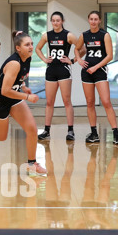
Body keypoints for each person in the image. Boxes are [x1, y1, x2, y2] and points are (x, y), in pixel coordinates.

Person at [0, 31, 47, 176]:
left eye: (31, 44)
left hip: (14, 98)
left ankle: (31, 163)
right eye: (27, 44)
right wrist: (27, 97)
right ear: (18, 48)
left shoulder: (27, 59)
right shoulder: (14, 63)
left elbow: (20, 78)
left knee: (32, 129)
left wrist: (23, 87)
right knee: (1, 136)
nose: (31, 47)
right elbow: (5, 90)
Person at [75, 11, 118, 145]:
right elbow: (77, 48)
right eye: (91, 19)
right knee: (90, 102)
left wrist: (95, 67)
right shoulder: (84, 35)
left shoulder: (105, 35)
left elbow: (109, 56)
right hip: (86, 72)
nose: (93, 21)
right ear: (88, 20)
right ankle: (94, 133)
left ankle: (116, 134)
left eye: (96, 19)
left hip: (99, 71)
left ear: (100, 21)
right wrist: (79, 59)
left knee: (106, 102)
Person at [35, 11, 82, 142]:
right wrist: (44, 59)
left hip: (64, 70)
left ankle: (71, 130)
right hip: (51, 70)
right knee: (49, 102)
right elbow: (37, 49)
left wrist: (72, 60)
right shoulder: (47, 35)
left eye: (58, 20)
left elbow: (82, 48)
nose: (55, 23)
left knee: (66, 101)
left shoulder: (69, 35)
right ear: (51, 21)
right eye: (53, 20)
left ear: (62, 21)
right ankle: (46, 130)